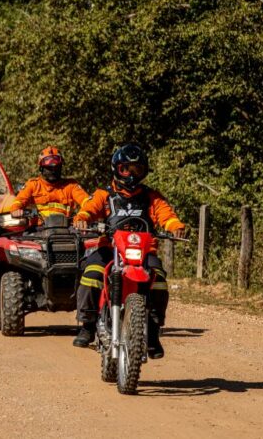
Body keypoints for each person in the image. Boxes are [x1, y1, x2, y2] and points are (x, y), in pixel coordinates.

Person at [72, 143, 186, 358]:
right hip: (110, 249)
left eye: (137, 170)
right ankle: (87, 325)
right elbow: (87, 210)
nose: (132, 175)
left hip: (143, 252)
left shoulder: (152, 196)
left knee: (159, 281)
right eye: (127, 169)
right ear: (117, 168)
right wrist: (82, 220)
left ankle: (152, 333)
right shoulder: (104, 195)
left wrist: (175, 227)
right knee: (91, 275)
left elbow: (166, 215)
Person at [10, 146, 89, 219]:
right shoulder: (33, 185)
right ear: (41, 168)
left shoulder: (71, 186)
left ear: (61, 167)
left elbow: (87, 202)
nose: (53, 171)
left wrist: (83, 216)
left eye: (57, 167)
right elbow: (19, 200)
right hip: (37, 229)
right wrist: (16, 209)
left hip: (66, 230)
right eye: (49, 168)